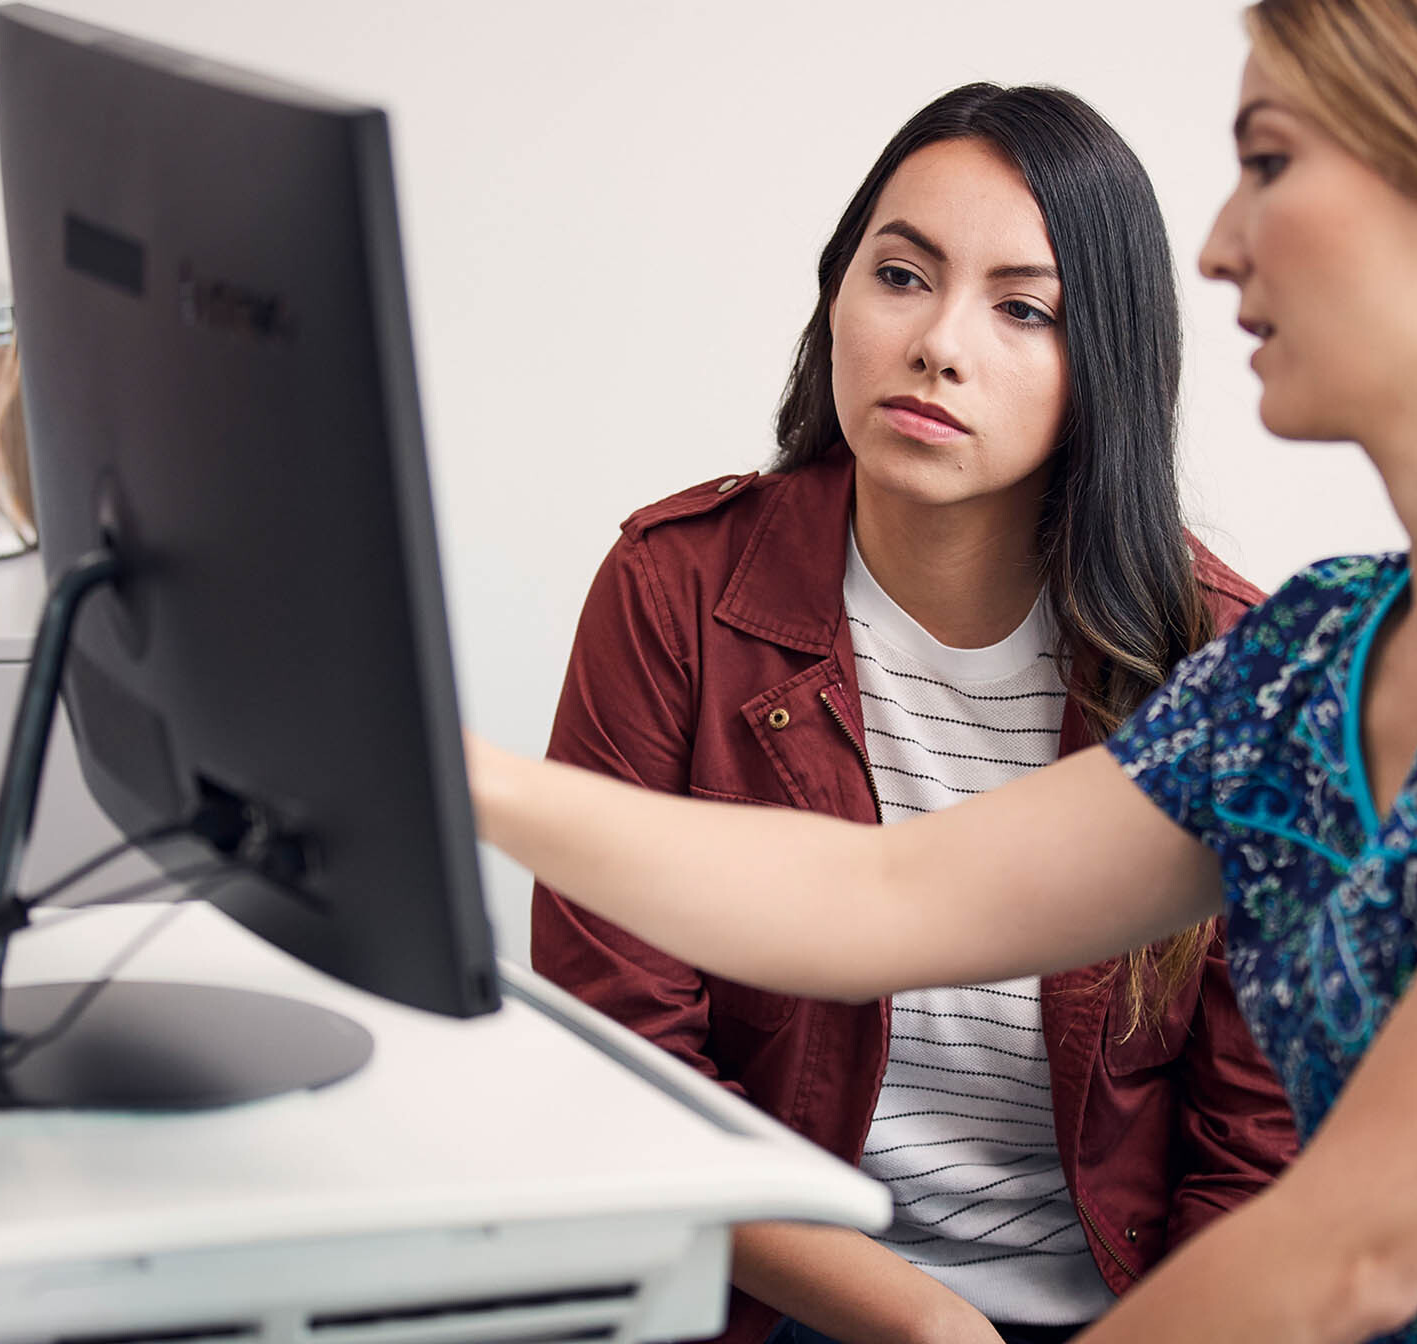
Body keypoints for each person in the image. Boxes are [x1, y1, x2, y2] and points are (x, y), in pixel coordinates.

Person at [474, 0, 1417, 1342]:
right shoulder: (1319, 651)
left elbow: (1351, 1255)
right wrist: (435, 771)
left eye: (1269, 164)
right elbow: (887, 900)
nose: (1216, 248)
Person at [532, 83, 1296, 1344]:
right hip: (774, 1301)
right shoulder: (677, 590)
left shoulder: (1227, 666)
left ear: (1104, 361)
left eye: (1022, 308)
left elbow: (1256, 1138)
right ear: (836, 295)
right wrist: (925, 1324)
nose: (941, 343)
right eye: (901, 275)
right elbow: (626, 1051)